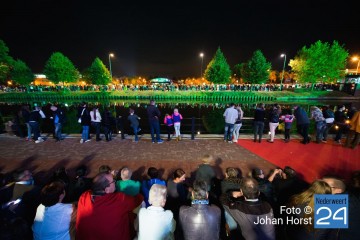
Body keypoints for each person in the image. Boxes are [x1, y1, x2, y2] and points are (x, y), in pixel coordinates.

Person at [76, 172, 144, 240]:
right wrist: (140, 194)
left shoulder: (83, 197)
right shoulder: (119, 199)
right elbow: (137, 200)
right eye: (113, 182)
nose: (115, 182)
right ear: (106, 190)